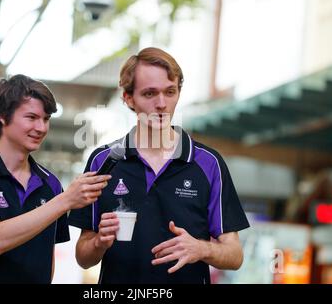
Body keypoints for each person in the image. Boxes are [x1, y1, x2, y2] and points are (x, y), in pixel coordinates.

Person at [68, 47, 250, 284]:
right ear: (128, 98)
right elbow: (83, 258)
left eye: (170, 92)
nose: (162, 103)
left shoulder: (208, 163)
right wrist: (98, 243)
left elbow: (235, 255)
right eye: (150, 94)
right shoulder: (103, 161)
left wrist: (201, 249)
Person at [0, 74, 111, 284]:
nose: (41, 128)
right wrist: (66, 200)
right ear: (3, 117)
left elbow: (45, 264)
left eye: (46, 119)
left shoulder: (51, 185)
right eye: (31, 117)